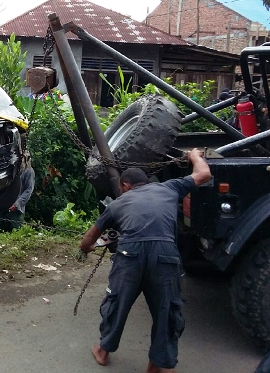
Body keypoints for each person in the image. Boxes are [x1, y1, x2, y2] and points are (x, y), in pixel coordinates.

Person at [78, 148, 211, 373]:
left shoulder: (118, 204)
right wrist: (195, 156)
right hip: (165, 253)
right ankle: (159, 363)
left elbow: (88, 239)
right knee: (166, 308)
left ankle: (103, 351)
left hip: (130, 254)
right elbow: (204, 174)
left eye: (120, 188)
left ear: (126, 185)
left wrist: (89, 248)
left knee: (117, 303)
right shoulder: (169, 187)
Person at [0, 152, 35, 233]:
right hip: (3, 199)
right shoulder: (9, 168)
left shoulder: (29, 171)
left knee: (18, 226)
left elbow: (29, 190)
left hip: (16, 203)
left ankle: (20, 243)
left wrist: (17, 203)